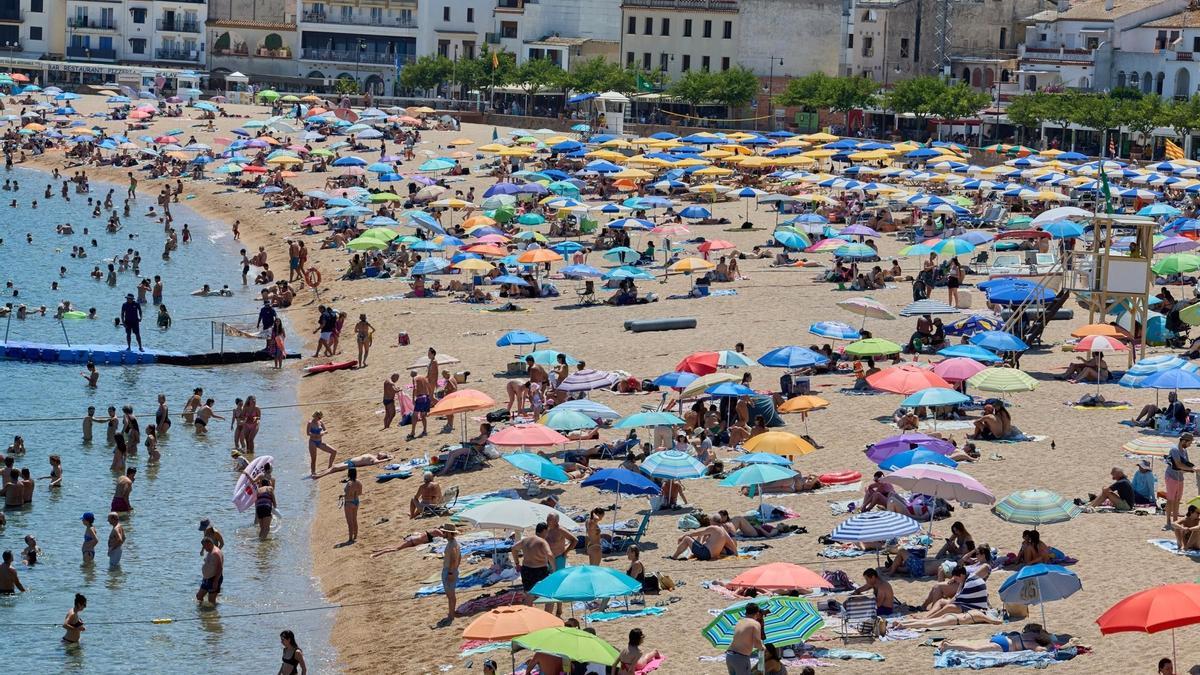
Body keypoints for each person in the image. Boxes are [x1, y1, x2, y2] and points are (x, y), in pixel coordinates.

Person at [512, 523, 556, 605]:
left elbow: (514, 548)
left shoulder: (526, 540)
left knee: (528, 595)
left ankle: (529, 614)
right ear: (544, 531)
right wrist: (554, 569)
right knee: (549, 594)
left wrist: (517, 563)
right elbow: (550, 555)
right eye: (547, 532)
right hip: (540, 570)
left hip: (526, 570)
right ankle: (547, 615)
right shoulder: (542, 542)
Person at [544, 512, 577, 616]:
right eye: (547, 519)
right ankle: (551, 604)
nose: (547, 521)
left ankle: (559, 607)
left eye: (550, 519)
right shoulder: (546, 529)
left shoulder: (560, 530)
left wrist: (566, 552)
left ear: (556, 521)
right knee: (549, 583)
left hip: (558, 558)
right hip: (548, 559)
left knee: (557, 583)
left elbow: (574, 540)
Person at [940, 624, 1054, 653]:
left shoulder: (1030, 632)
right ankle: (949, 646)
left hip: (1001, 638)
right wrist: (1050, 645)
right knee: (975, 650)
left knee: (976, 645)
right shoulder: (1033, 643)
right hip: (1003, 646)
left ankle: (951, 643)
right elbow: (1042, 650)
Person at [726, 602, 764, 675]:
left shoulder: (739, 622)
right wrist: (762, 647)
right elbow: (757, 643)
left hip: (729, 656)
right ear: (757, 613)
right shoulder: (755, 623)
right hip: (740, 657)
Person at [1166, 433, 1195, 527]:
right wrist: (1192, 469)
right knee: (1170, 500)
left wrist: (1192, 469)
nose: (1189, 445)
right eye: (1189, 443)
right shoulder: (1174, 449)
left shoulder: (1184, 451)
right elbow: (1178, 464)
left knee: (1177, 500)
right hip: (1171, 476)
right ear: (1184, 441)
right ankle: (1168, 522)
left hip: (1180, 477)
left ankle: (1175, 521)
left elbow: (1186, 465)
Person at [670, 523, 737, 561]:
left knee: (687, 538)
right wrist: (737, 554)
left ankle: (674, 557)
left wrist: (683, 536)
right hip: (713, 556)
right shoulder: (724, 533)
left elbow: (697, 533)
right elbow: (732, 544)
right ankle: (683, 555)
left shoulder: (713, 528)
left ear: (713, 522)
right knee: (699, 537)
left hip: (705, 554)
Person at [439, 523, 461, 627]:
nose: (443, 534)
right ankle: (451, 613)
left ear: (449, 533)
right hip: (452, 570)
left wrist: (451, 572)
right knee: (450, 595)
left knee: (450, 595)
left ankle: (451, 615)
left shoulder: (452, 544)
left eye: (444, 532)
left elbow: (453, 559)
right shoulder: (454, 543)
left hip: (449, 570)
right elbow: (459, 558)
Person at [306, 411, 337, 475]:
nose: (320, 419)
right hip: (312, 442)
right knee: (314, 458)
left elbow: (326, 430)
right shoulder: (310, 423)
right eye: (319, 417)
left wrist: (322, 433)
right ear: (315, 416)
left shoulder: (320, 422)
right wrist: (315, 435)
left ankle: (330, 467)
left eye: (320, 417)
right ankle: (313, 473)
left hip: (319, 442)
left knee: (334, 451)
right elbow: (308, 433)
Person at [197, 536, 224, 605]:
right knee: (199, 596)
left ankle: (213, 614)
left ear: (209, 544)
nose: (205, 549)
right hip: (206, 578)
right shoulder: (210, 550)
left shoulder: (216, 553)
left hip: (213, 579)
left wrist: (215, 581)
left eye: (205, 547)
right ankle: (201, 612)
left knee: (211, 601)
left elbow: (220, 568)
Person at [342, 467, 362, 544]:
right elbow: (360, 493)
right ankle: (355, 536)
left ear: (349, 474)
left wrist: (343, 495)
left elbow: (347, 494)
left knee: (349, 522)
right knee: (354, 519)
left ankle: (350, 538)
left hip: (349, 503)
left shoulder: (349, 484)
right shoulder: (359, 482)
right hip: (356, 501)